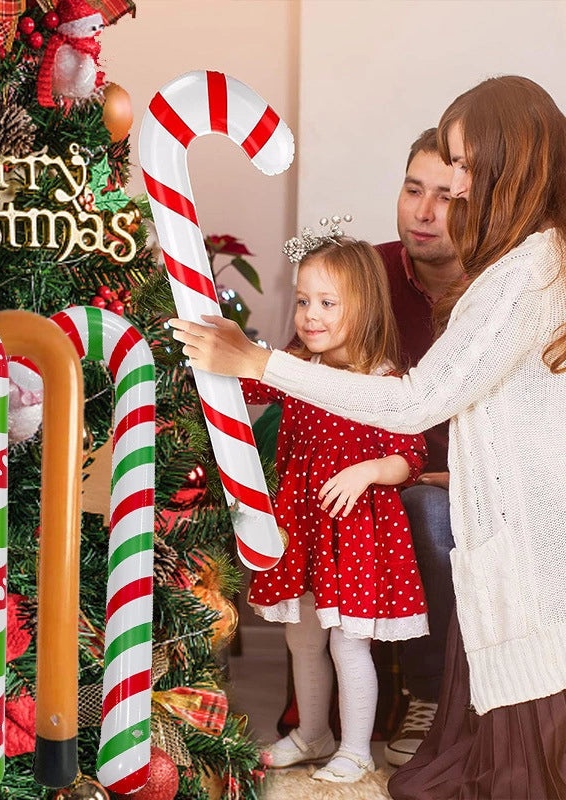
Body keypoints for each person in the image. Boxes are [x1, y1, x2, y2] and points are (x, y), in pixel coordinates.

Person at [170, 75, 566, 799]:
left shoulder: (521, 272)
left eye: (464, 173)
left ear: (510, 167)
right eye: (433, 177)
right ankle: (333, 724)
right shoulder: (517, 263)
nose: (450, 193)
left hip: (511, 527)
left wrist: (261, 360)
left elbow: (417, 402)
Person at [240, 233, 430, 783]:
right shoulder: (295, 369)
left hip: (356, 532)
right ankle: (313, 732)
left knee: (349, 643)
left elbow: (408, 458)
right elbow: (245, 383)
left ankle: (355, 748)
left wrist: (367, 470)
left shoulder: (381, 380)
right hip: (303, 527)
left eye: (327, 303)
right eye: (302, 301)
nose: (310, 315)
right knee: (302, 638)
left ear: (364, 307)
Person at [377, 127, 463, 767]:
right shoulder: (369, 272)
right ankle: (427, 695)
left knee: (449, 513)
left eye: (446, 198)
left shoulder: (500, 285)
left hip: (478, 474)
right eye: (414, 190)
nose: (425, 213)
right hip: (384, 474)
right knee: (432, 520)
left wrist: (456, 474)